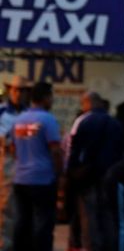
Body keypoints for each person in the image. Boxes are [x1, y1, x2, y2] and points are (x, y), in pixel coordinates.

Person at [8, 82, 62, 251]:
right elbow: (56, 151)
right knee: (43, 223)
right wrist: (59, 174)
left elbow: (12, 148)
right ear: (46, 98)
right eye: (51, 97)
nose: (52, 101)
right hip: (42, 180)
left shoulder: (19, 120)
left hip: (20, 179)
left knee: (22, 221)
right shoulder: (48, 119)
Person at [67, 91, 123, 251]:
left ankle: (93, 247)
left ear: (87, 103)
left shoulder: (84, 122)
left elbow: (74, 150)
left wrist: (71, 173)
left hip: (88, 177)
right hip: (110, 175)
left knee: (89, 217)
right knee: (108, 215)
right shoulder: (115, 123)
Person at [0, 75, 31, 250]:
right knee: (6, 210)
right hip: (6, 165)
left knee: (23, 211)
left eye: (22, 90)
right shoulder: (2, 111)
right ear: (10, 90)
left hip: (27, 166)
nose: (18, 94)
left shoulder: (31, 113)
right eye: (15, 89)